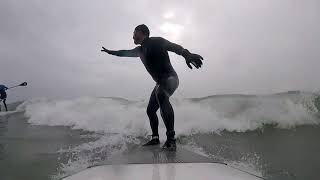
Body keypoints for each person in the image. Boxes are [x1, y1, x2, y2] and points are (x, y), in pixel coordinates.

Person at [101, 24, 203, 151]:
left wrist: (187, 54)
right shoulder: (139, 51)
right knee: (150, 110)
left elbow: (175, 47)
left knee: (161, 94)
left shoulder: (157, 41)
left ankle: (171, 140)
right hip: (160, 83)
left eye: (134, 32)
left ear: (141, 32)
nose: (132, 36)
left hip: (171, 78)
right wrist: (110, 52)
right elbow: (123, 53)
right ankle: (155, 138)